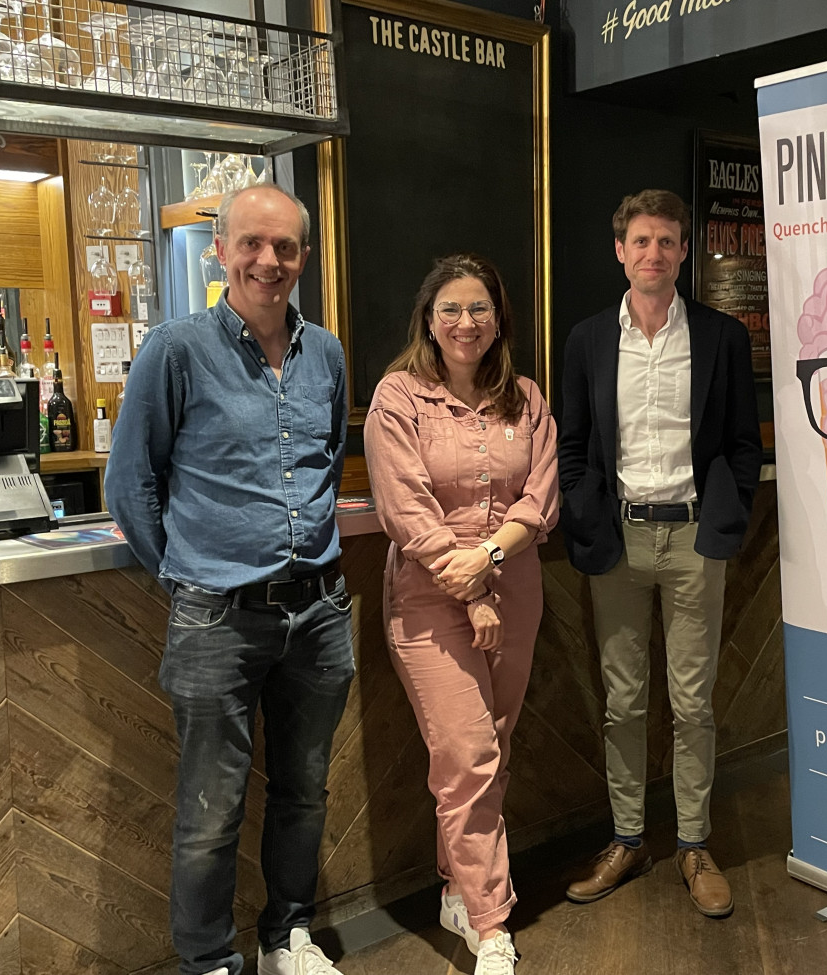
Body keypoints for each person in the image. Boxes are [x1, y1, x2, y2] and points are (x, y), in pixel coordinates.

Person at [105, 184, 353, 975]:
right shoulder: (175, 349)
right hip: (217, 618)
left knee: (304, 791)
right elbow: (129, 485)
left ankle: (287, 936)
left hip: (318, 614)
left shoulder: (329, 354)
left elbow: (328, 462)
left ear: (303, 258)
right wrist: (189, 577)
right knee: (211, 811)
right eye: (251, 243)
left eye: (284, 248)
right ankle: (210, 959)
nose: (267, 261)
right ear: (221, 250)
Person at [558, 189, 762, 918]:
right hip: (617, 538)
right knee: (622, 701)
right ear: (620, 250)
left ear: (683, 252)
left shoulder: (720, 336)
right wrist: (585, 509)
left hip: (693, 540)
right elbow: (574, 444)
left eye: (667, 241)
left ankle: (696, 844)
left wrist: (726, 516)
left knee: (692, 702)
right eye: (640, 241)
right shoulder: (586, 339)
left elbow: (743, 443)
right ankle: (626, 836)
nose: (653, 253)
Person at [365, 254, 558, 975]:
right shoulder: (399, 398)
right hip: (428, 598)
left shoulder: (526, 398)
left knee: (490, 751)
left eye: (479, 309)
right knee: (467, 753)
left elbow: (538, 501)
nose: (466, 322)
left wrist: (491, 564)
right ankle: (490, 923)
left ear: (497, 318)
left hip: (516, 587)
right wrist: (469, 586)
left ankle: (458, 889)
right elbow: (404, 508)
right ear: (428, 318)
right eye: (451, 309)